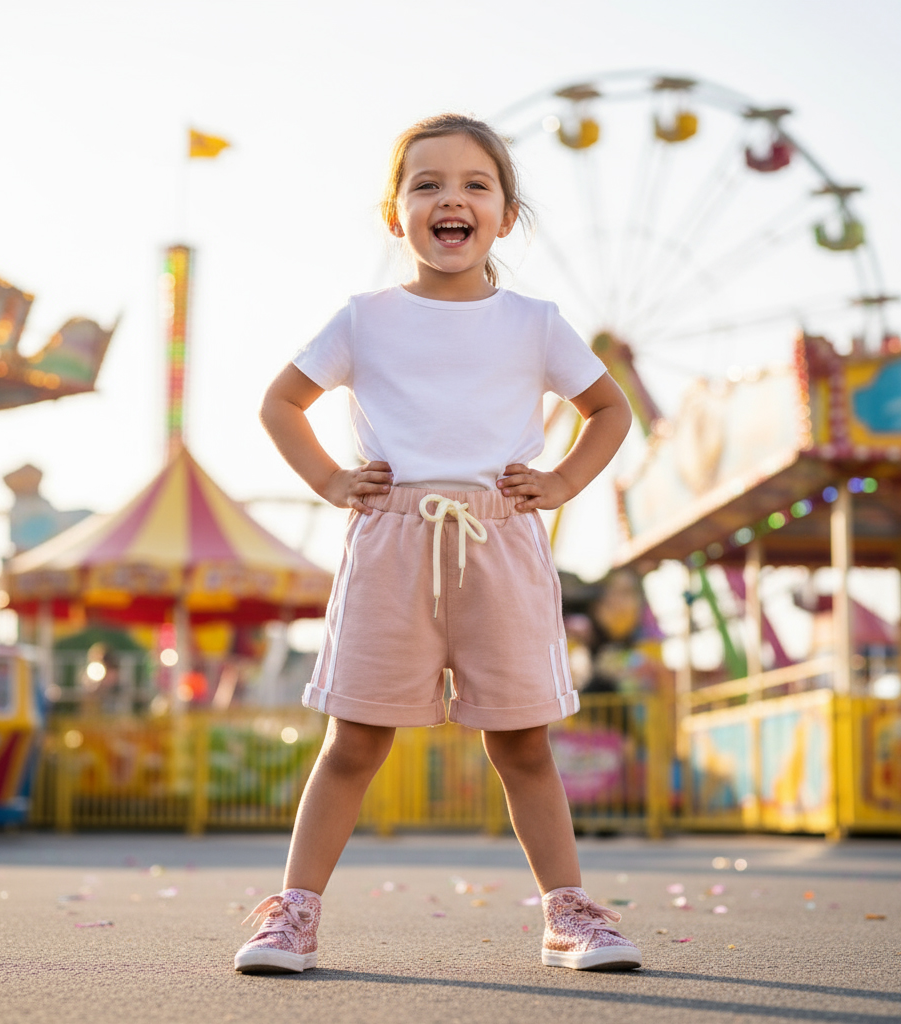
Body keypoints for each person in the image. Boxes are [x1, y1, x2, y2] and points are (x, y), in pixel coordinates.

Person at [237, 113, 637, 975]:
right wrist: (332, 483)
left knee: (523, 741)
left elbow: (610, 409)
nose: (450, 198)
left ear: (506, 214)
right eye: (426, 184)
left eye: (474, 185)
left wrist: (562, 483)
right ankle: (292, 915)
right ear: (395, 215)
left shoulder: (535, 322)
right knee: (355, 739)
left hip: (500, 541)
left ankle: (568, 914)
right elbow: (280, 403)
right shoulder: (364, 318)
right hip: (392, 540)